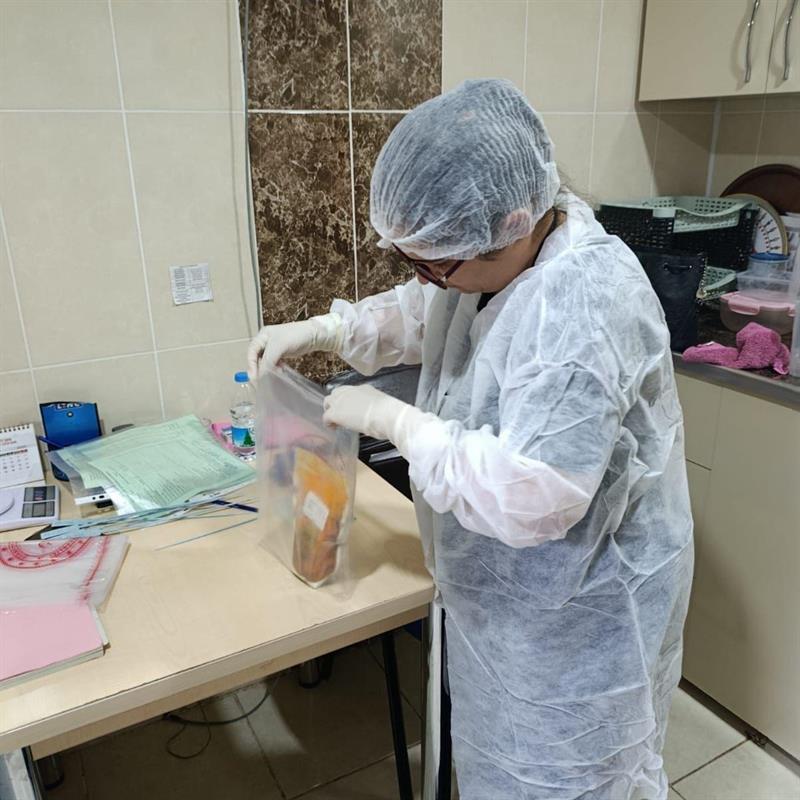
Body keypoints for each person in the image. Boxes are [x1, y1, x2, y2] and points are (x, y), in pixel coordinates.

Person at [248, 79, 693, 800]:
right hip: (511, 612)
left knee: (575, 784)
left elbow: (535, 493)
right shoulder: (501, 262)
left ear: (514, 222)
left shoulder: (585, 304)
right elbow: (426, 308)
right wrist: (330, 329)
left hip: (580, 628)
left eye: (437, 263)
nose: (429, 280)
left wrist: (396, 421)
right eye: (415, 261)